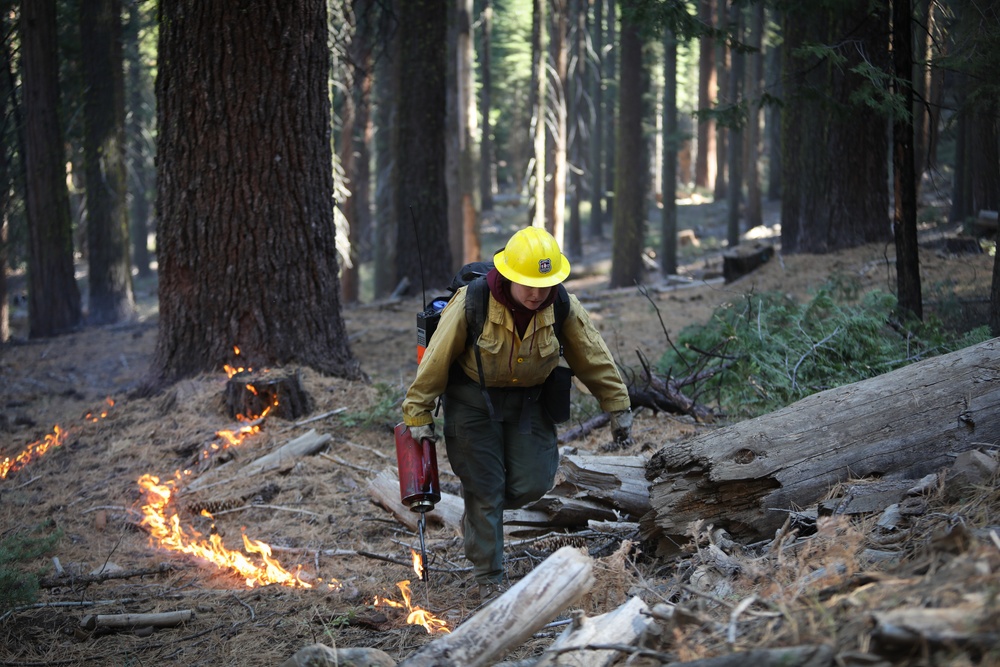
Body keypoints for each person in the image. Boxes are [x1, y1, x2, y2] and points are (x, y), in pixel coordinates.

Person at [401, 226, 632, 604]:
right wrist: (418, 413)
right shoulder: (472, 302)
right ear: (507, 275)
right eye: (528, 284)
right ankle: (489, 577)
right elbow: (436, 360)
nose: (536, 293)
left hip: (529, 403)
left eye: (544, 284)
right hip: (473, 403)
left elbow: (593, 354)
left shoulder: (560, 305)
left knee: (533, 483)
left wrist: (617, 405)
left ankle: (478, 518)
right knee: (486, 488)